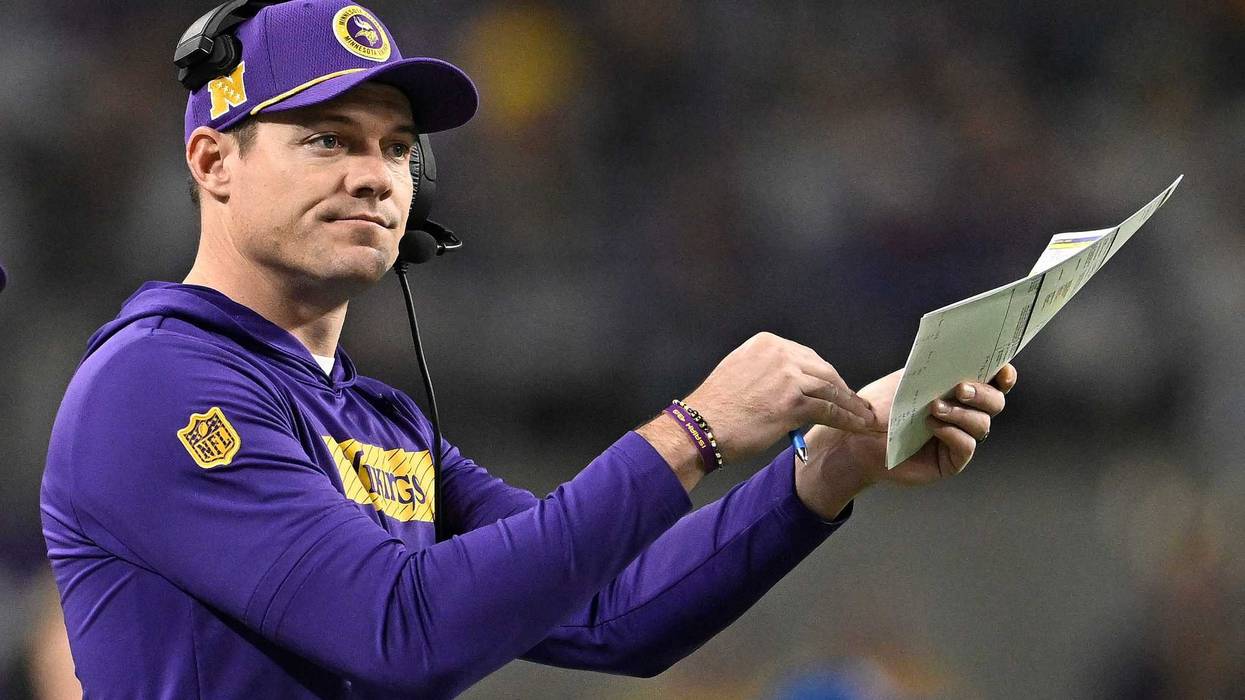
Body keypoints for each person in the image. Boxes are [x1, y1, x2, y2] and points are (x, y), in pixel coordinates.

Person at [40, 1, 1017, 697]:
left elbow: (613, 612)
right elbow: (395, 630)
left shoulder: (380, 420)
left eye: (393, 146)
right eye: (327, 139)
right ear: (212, 159)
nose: (377, 177)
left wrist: (825, 469)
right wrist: (692, 431)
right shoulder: (153, 381)